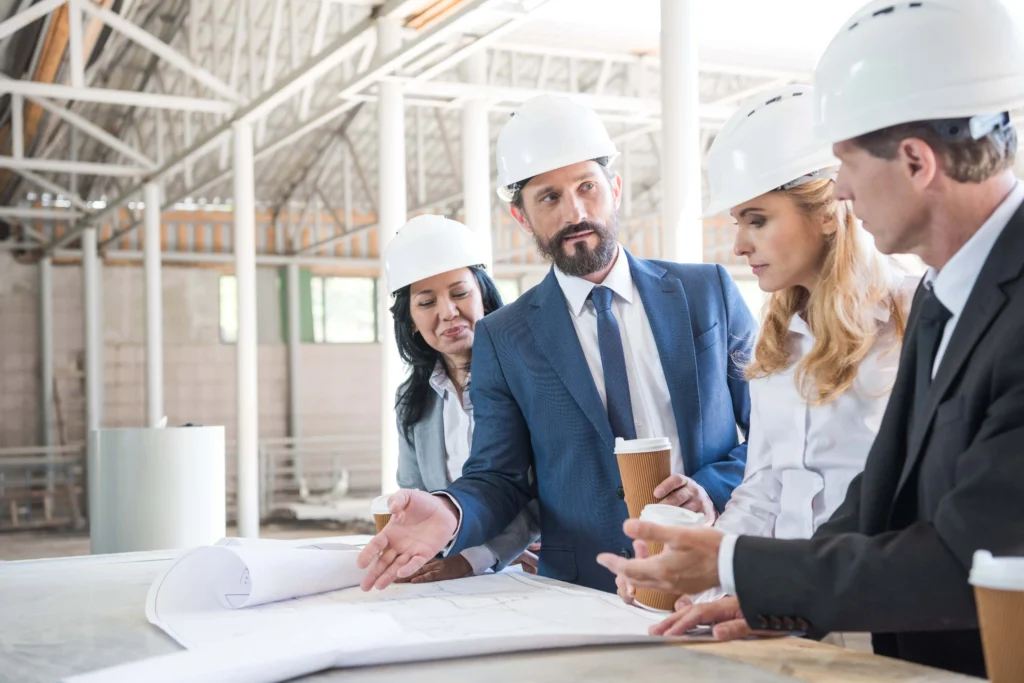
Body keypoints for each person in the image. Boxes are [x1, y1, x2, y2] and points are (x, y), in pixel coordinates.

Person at [596, 0, 1024, 676]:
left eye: (847, 166)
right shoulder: (949, 297)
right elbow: (875, 498)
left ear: (916, 161)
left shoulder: (956, 307)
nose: (843, 191)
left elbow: (963, 556)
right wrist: (760, 595)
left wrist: (732, 563)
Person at [357, 94, 758, 594]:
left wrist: (711, 489)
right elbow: (498, 477)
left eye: (587, 187)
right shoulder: (505, 337)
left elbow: (772, 432)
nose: (575, 212)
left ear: (613, 188)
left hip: (716, 567)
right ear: (522, 218)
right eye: (549, 197)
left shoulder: (707, 293)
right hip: (585, 589)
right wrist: (449, 509)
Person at [614, 84, 918, 630]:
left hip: (874, 611)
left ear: (826, 211)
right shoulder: (774, 341)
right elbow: (764, 490)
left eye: (757, 220)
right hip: (781, 610)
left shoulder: (911, 315)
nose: (738, 245)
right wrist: (699, 572)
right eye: (738, 222)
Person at [384, 215, 540, 582]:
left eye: (459, 293)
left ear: (483, 296)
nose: (447, 312)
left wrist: (480, 558)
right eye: (426, 302)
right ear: (410, 321)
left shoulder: (529, 376)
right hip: (451, 570)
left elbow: (550, 488)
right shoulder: (413, 399)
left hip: (529, 566)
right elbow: (415, 491)